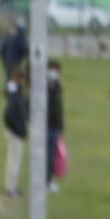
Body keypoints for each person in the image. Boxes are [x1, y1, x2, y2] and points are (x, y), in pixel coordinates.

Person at [2, 69, 29, 199]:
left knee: (15, 160)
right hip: (15, 133)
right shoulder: (14, 96)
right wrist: (16, 129)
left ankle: (12, 186)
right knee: (14, 161)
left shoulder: (17, 94)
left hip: (17, 132)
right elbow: (8, 115)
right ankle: (11, 188)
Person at [46, 60, 66, 193]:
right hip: (48, 126)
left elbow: (59, 109)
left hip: (55, 127)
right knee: (48, 156)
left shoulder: (57, 86)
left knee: (52, 155)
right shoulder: (46, 87)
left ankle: (49, 179)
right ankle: (47, 181)